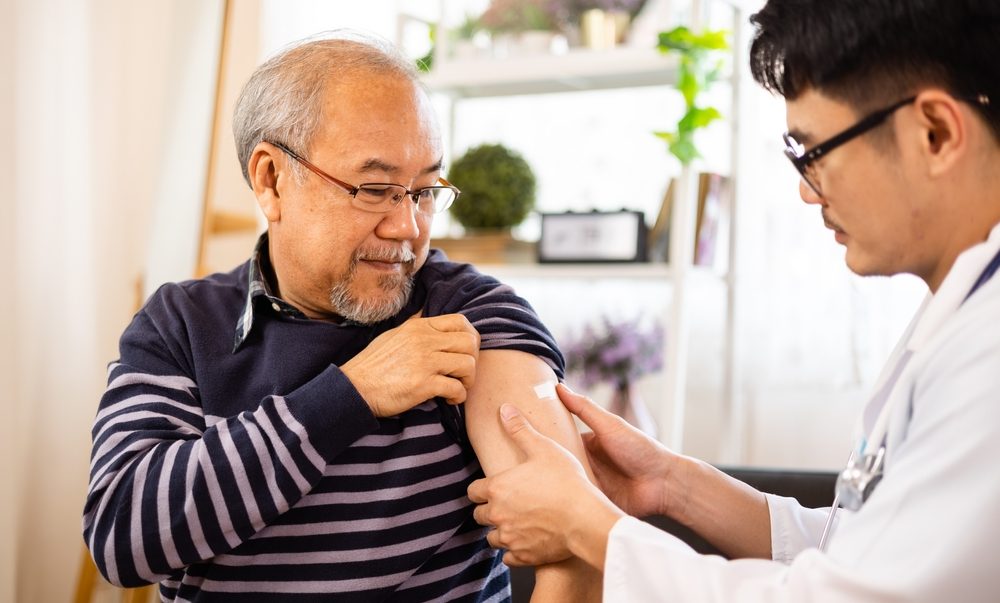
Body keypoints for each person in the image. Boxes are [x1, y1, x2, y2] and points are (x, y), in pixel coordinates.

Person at [467, 0, 1000, 600]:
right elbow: (872, 547)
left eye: (815, 152)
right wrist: (674, 482)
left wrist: (587, 525)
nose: (806, 190)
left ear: (936, 132)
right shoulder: (962, 308)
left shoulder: (987, 355)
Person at [82, 31, 601, 602]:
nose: (407, 227)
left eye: (425, 191)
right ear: (271, 180)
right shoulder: (180, 324)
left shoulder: (470, 311)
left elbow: (569, 544)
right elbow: (121, 537)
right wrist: (350, 395)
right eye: (376, 189)